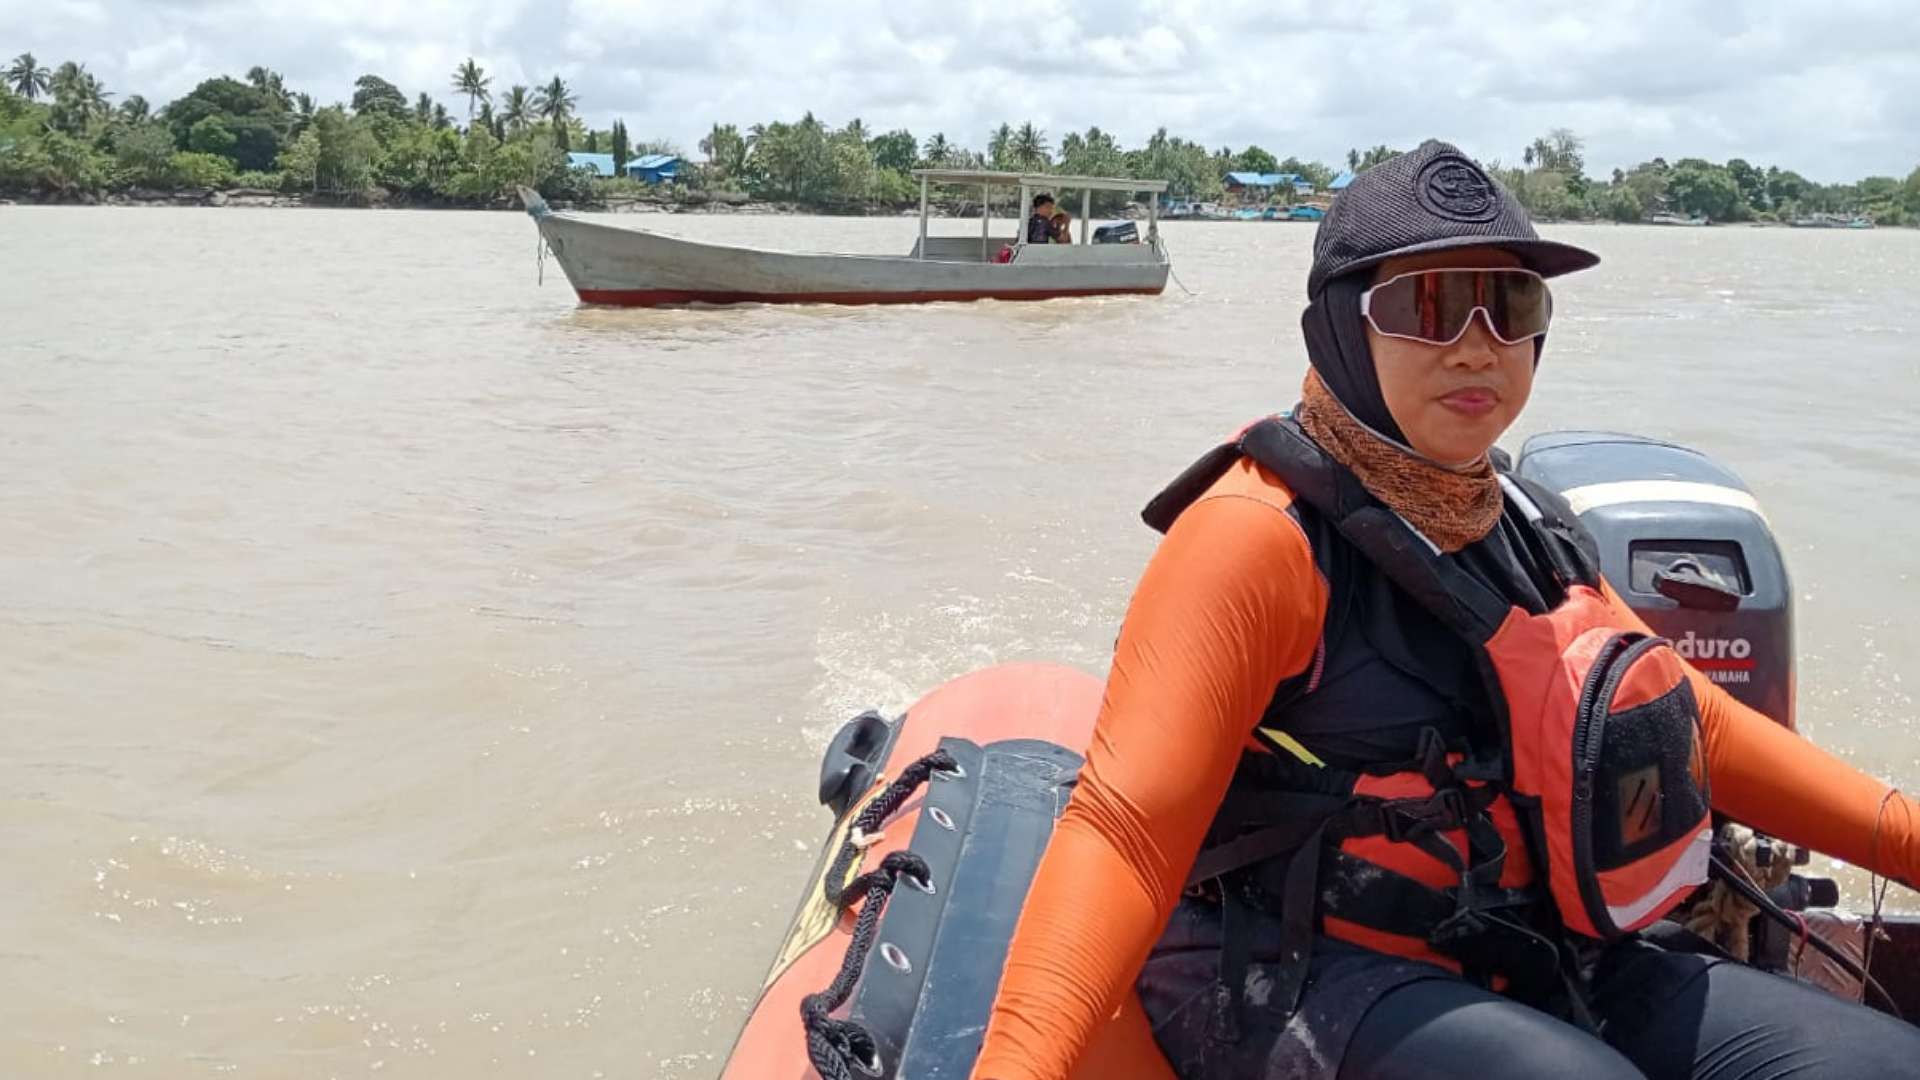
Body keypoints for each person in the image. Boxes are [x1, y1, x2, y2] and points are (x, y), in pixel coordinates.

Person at [971, 140, 1920, 1080]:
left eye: (1510, 306)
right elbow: (1126, 830)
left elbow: (1695, 721)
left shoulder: (1523, 521)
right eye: (1426, 306)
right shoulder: (1255, 540)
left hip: (1526, 944)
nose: (1477, 345)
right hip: (1294, 970)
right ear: (1343, 326)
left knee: (1875, 1062)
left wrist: (1905, 837)